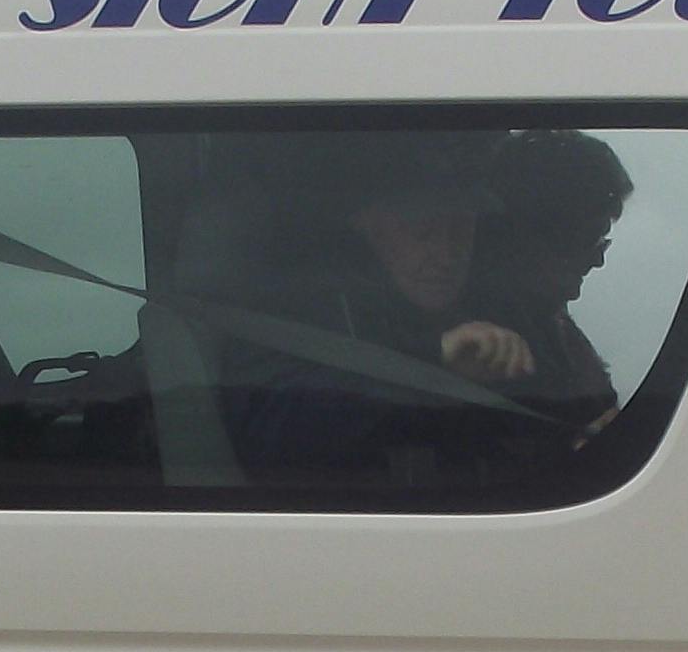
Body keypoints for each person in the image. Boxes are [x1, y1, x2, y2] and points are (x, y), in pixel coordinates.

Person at [222, 146, 558, 487]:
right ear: (367, 227)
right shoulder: (300, 314)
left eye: (461, 229)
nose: (446, 255)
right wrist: (431, 363)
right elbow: (275, 437)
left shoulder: (491, 314)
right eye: (422, 231)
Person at [463, 129, 634, 430]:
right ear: (526, 235)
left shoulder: (554, 331)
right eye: (588, 240)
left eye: (602, 243)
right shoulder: (481, 347)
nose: (598, 259)